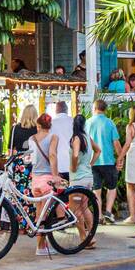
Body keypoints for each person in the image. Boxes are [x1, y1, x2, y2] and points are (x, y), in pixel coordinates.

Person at [27, 113, 64, 256]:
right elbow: (52, 155)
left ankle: (41, 246)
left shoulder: (31, 139)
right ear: (50, 126)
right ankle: (41, 247)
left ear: (38, 125)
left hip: (35, 179)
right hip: (47, 180)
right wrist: (55, 176)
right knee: (45, 215)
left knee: (39, 213)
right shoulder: (53, 137)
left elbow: (30, 159)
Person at [86, 98, 123, 222]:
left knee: (96, 189)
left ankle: (99, 216)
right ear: (105, 109)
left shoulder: (88, 123)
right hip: (108, 161)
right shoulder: (110, 123)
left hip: (92, 162)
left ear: (94, 108)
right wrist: (120, 158)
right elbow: (116, 143)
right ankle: (108, 211)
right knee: (111, 187)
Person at [67, 114, 99, 247]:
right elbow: (98, 151)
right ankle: (91, 235)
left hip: (77, 179)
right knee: (85, 207)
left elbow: (75, 155)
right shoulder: (87, 137)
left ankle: (84, 238)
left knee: (75, 210)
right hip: (88, 178)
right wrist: (90, 164)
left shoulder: (76, 138)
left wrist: (74, 167)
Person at [49, 100, 73, 181]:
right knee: (74, 191)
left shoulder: (51, 123)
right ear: (67, 110)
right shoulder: (74, 122)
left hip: (58, 165)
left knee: (59, 192)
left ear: (56, 111)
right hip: (74, 164)